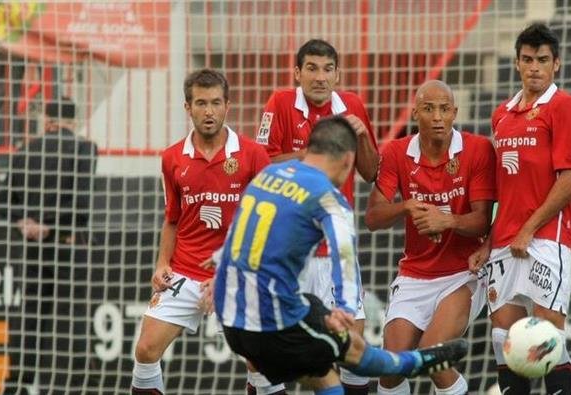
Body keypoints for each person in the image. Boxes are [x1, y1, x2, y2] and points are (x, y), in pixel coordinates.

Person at [214, 116, 468, 395]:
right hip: (272, 322)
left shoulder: (268, 176)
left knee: (322, 366)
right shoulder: (329, 198)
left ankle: (410, 361)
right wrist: (346, 311)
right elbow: (345, 257)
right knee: (352, 356)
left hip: (229, 316)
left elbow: (235, 234)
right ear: (349, 160)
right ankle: (413, 362)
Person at [129, 69, 271, 394]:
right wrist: (162, 263)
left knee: (259, 360)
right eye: (201, 103)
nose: (209, 112)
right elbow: (173, 219)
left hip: (236, 272)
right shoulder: (172, 158)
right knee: (145, 350)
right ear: (187, 107)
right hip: (185, 272)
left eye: (216, 103)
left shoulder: (253, 155)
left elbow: (266, 223)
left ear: (228, 105)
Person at [256, 38, 379, 394]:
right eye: (311, 68)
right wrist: (314, 153)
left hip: (338, 250)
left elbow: (371, 173)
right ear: (297, 72)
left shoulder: (352, 106)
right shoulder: (279, 103)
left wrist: (362, 137)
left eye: (327, 69)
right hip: (291, 252)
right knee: (276, 356)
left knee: (353, 350)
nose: (320, 77)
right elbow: (262, 166)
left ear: (337, 74)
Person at [468, 23, 571, 395]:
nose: (534, 67)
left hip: (546, 238)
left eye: (543, 60)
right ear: (517, 63)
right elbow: (503, 186)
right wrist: (489, 239)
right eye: (527, 59)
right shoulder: (501, 114)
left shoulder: (563, 106)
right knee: (506, 339)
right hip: (504, 239)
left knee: (548, 338)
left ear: (556, 65)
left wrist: (529, 228)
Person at [364, 80, 495, 395]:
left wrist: (445, 220)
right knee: (390, 367)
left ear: (455, 113)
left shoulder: (477, 149)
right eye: (429, 108)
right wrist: (405, 207)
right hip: (415, 274)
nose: (437, 117)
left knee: (433, 353)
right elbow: (372, 218)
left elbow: (482, 222)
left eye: (444, 109)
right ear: (414, 113)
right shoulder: (397, 152)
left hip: (463, 273)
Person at [0, 95, 98, 390]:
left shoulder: (26, 151)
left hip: (33, 250)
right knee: (73, 314)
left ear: (47, 120)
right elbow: (81, 206)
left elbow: (3, 202)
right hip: (67, 245)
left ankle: (22, 381)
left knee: (30, 313)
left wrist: (24, 221)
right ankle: (78, 382)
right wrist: (49, 226)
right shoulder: (84, 149)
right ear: (73, 121)